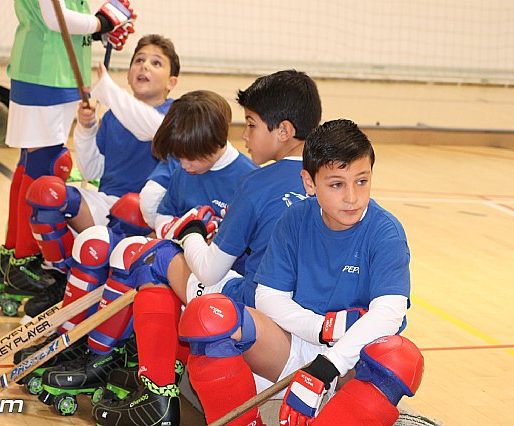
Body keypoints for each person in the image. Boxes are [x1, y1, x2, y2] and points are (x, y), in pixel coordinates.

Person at [90, 69, 322, 425]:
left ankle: (157, 392)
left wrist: (192, 231)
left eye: (251, 124)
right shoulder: (333, 179)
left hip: (260, 320)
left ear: (284, 131)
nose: (243, 135)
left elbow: (209, 269)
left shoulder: (256, 181)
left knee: (154, 256)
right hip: (315, 332)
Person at [176, 119, 420, 425]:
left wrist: (329, 364)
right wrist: (320, 329)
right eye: (336, 184)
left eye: (361, 181)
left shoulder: (386, 231)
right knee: (209, 316)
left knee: (401, 356)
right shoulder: (294, 219)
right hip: (293, 342)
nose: (352, 197)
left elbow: (389, 313)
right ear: (309, 183)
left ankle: (340, 412)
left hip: (350, 359)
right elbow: (268, 297)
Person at [40, 90, 257, 421]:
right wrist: (178, 230)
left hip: (218, 284)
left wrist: (197, 238)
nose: (183, 167)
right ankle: (95, 350)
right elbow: (165, 215)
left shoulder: (246, 178)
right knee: (128, 251)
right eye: (178, 160)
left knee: (137, 254)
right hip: (179, 267)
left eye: (189, 160)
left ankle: (106, 358)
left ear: (214, 143)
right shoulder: (187, 165)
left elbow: (242, 254)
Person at [20, 34, 180, 319]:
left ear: (172, 82)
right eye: (139, 61)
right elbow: (92, 171)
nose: (144, 67)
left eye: (156, 63)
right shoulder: (114, 116)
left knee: (128, 207)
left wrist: (107, 89)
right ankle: (62, 280)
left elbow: (150, 128)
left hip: (143, 217)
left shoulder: (175, 117)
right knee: (47, 193)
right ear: (129, 74)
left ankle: (97, 285)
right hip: (105, 204)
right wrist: (86, 128)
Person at [0, 0, 135, 314]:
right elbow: (54, 18)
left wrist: (98, 31)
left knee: (32, 163)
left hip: (56, 70)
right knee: (47, 165)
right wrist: (101, 23)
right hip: (46, 71)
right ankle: (23, 265)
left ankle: (12, 259)